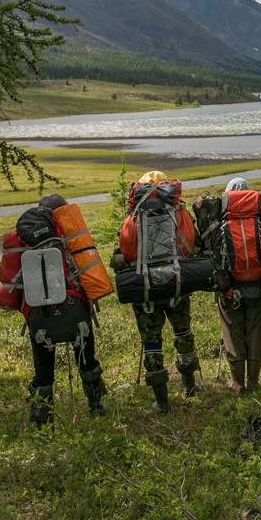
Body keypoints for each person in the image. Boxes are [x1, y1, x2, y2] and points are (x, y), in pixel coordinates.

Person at [0, 194, 108, 427]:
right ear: (61, 213)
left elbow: (11, 284)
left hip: (39, 318)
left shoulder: (21, 237)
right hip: (76, 312)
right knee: (86, 361)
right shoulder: (69, 233)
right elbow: (88, 271)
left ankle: (42, 424)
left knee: (43, 373)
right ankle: (97, 408)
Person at [111, 171, 199, 413]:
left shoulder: (133, 217)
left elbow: (126, 254)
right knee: (183, 333)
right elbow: (191, 245)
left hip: (145, 290)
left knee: (151, 343)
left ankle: (161, 401)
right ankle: (189, 386)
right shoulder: (180, 213)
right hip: (177, 285)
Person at [215, 177, 261, 394]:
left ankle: (238, 384)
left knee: (232, 331)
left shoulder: (220, 219)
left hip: (230, 287)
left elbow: (214, 256)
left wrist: (222, 285)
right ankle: (253, 382)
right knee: (256, 331)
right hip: (259, 286)